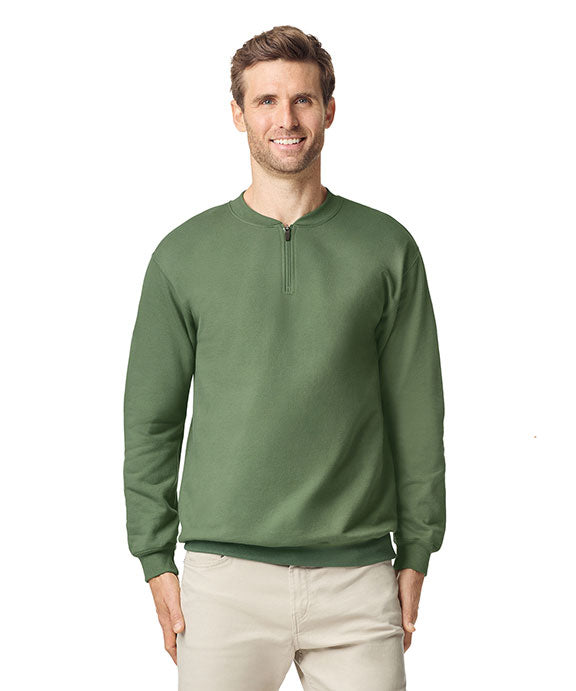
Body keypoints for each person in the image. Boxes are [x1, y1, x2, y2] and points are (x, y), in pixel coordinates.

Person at [123, 24, 446, 691]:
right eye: (266, 100)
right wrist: (155, 556)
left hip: (358, 577)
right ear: (237, 113)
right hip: (222, 581)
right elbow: (151, 420)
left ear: (329, 109)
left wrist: (417, 549)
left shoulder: (387, 248)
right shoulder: (183, 255)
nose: (286, 119)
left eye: (302, 99)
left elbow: (417, 414)